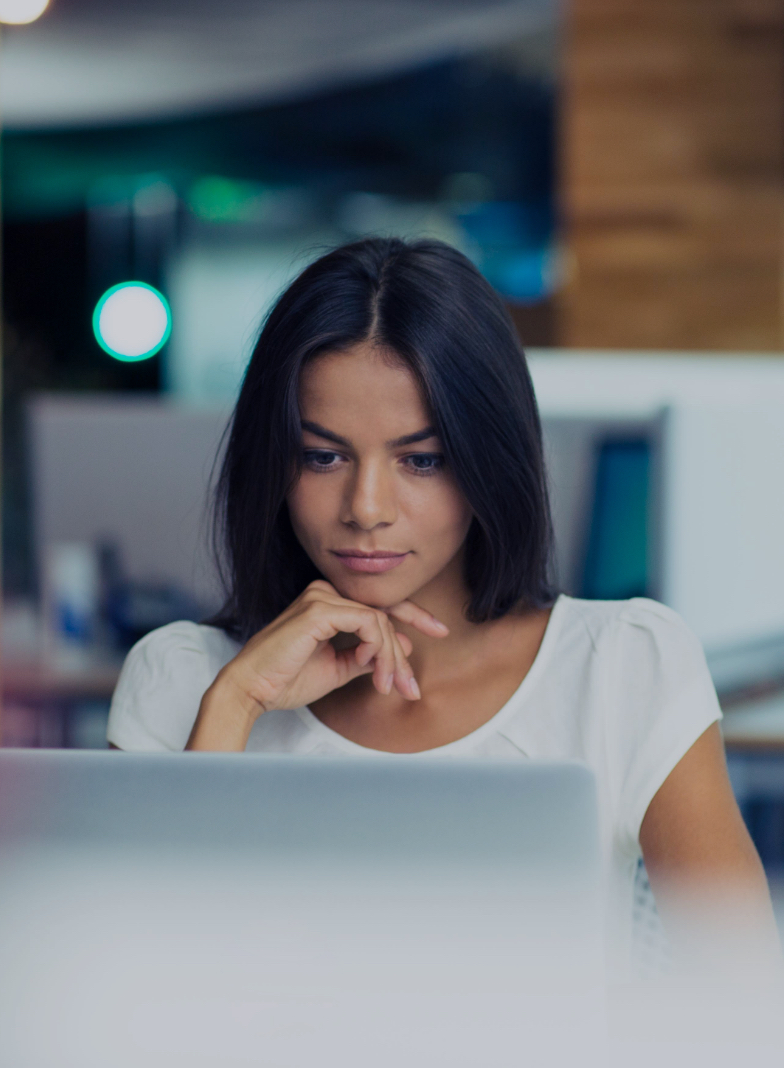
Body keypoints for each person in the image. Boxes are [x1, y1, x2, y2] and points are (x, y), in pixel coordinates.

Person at [108, 236, 777, 976]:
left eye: (421, 460)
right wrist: (237, 703)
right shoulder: (179, 681)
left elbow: (744, 1007)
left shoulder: (624, 664)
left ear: (487, 460)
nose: (366, 509)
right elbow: (137, 998)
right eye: (322, 456)